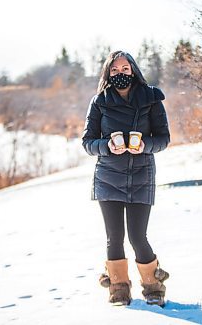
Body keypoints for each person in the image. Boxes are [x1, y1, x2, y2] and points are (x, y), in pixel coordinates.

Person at [82, 51, 170, 306]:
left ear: (133, 70)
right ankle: (119, 289)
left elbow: (163, 139)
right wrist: (107, 146)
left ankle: (153, 286)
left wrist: (144, 145)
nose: (120, 74)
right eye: (114, 70)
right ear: (108, 73)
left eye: (125, 68)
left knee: (137, 236)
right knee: (114, 237)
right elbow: (88, 142)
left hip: (141, 175)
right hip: (108, 177)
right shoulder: (99, 101)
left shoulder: (152, 99)